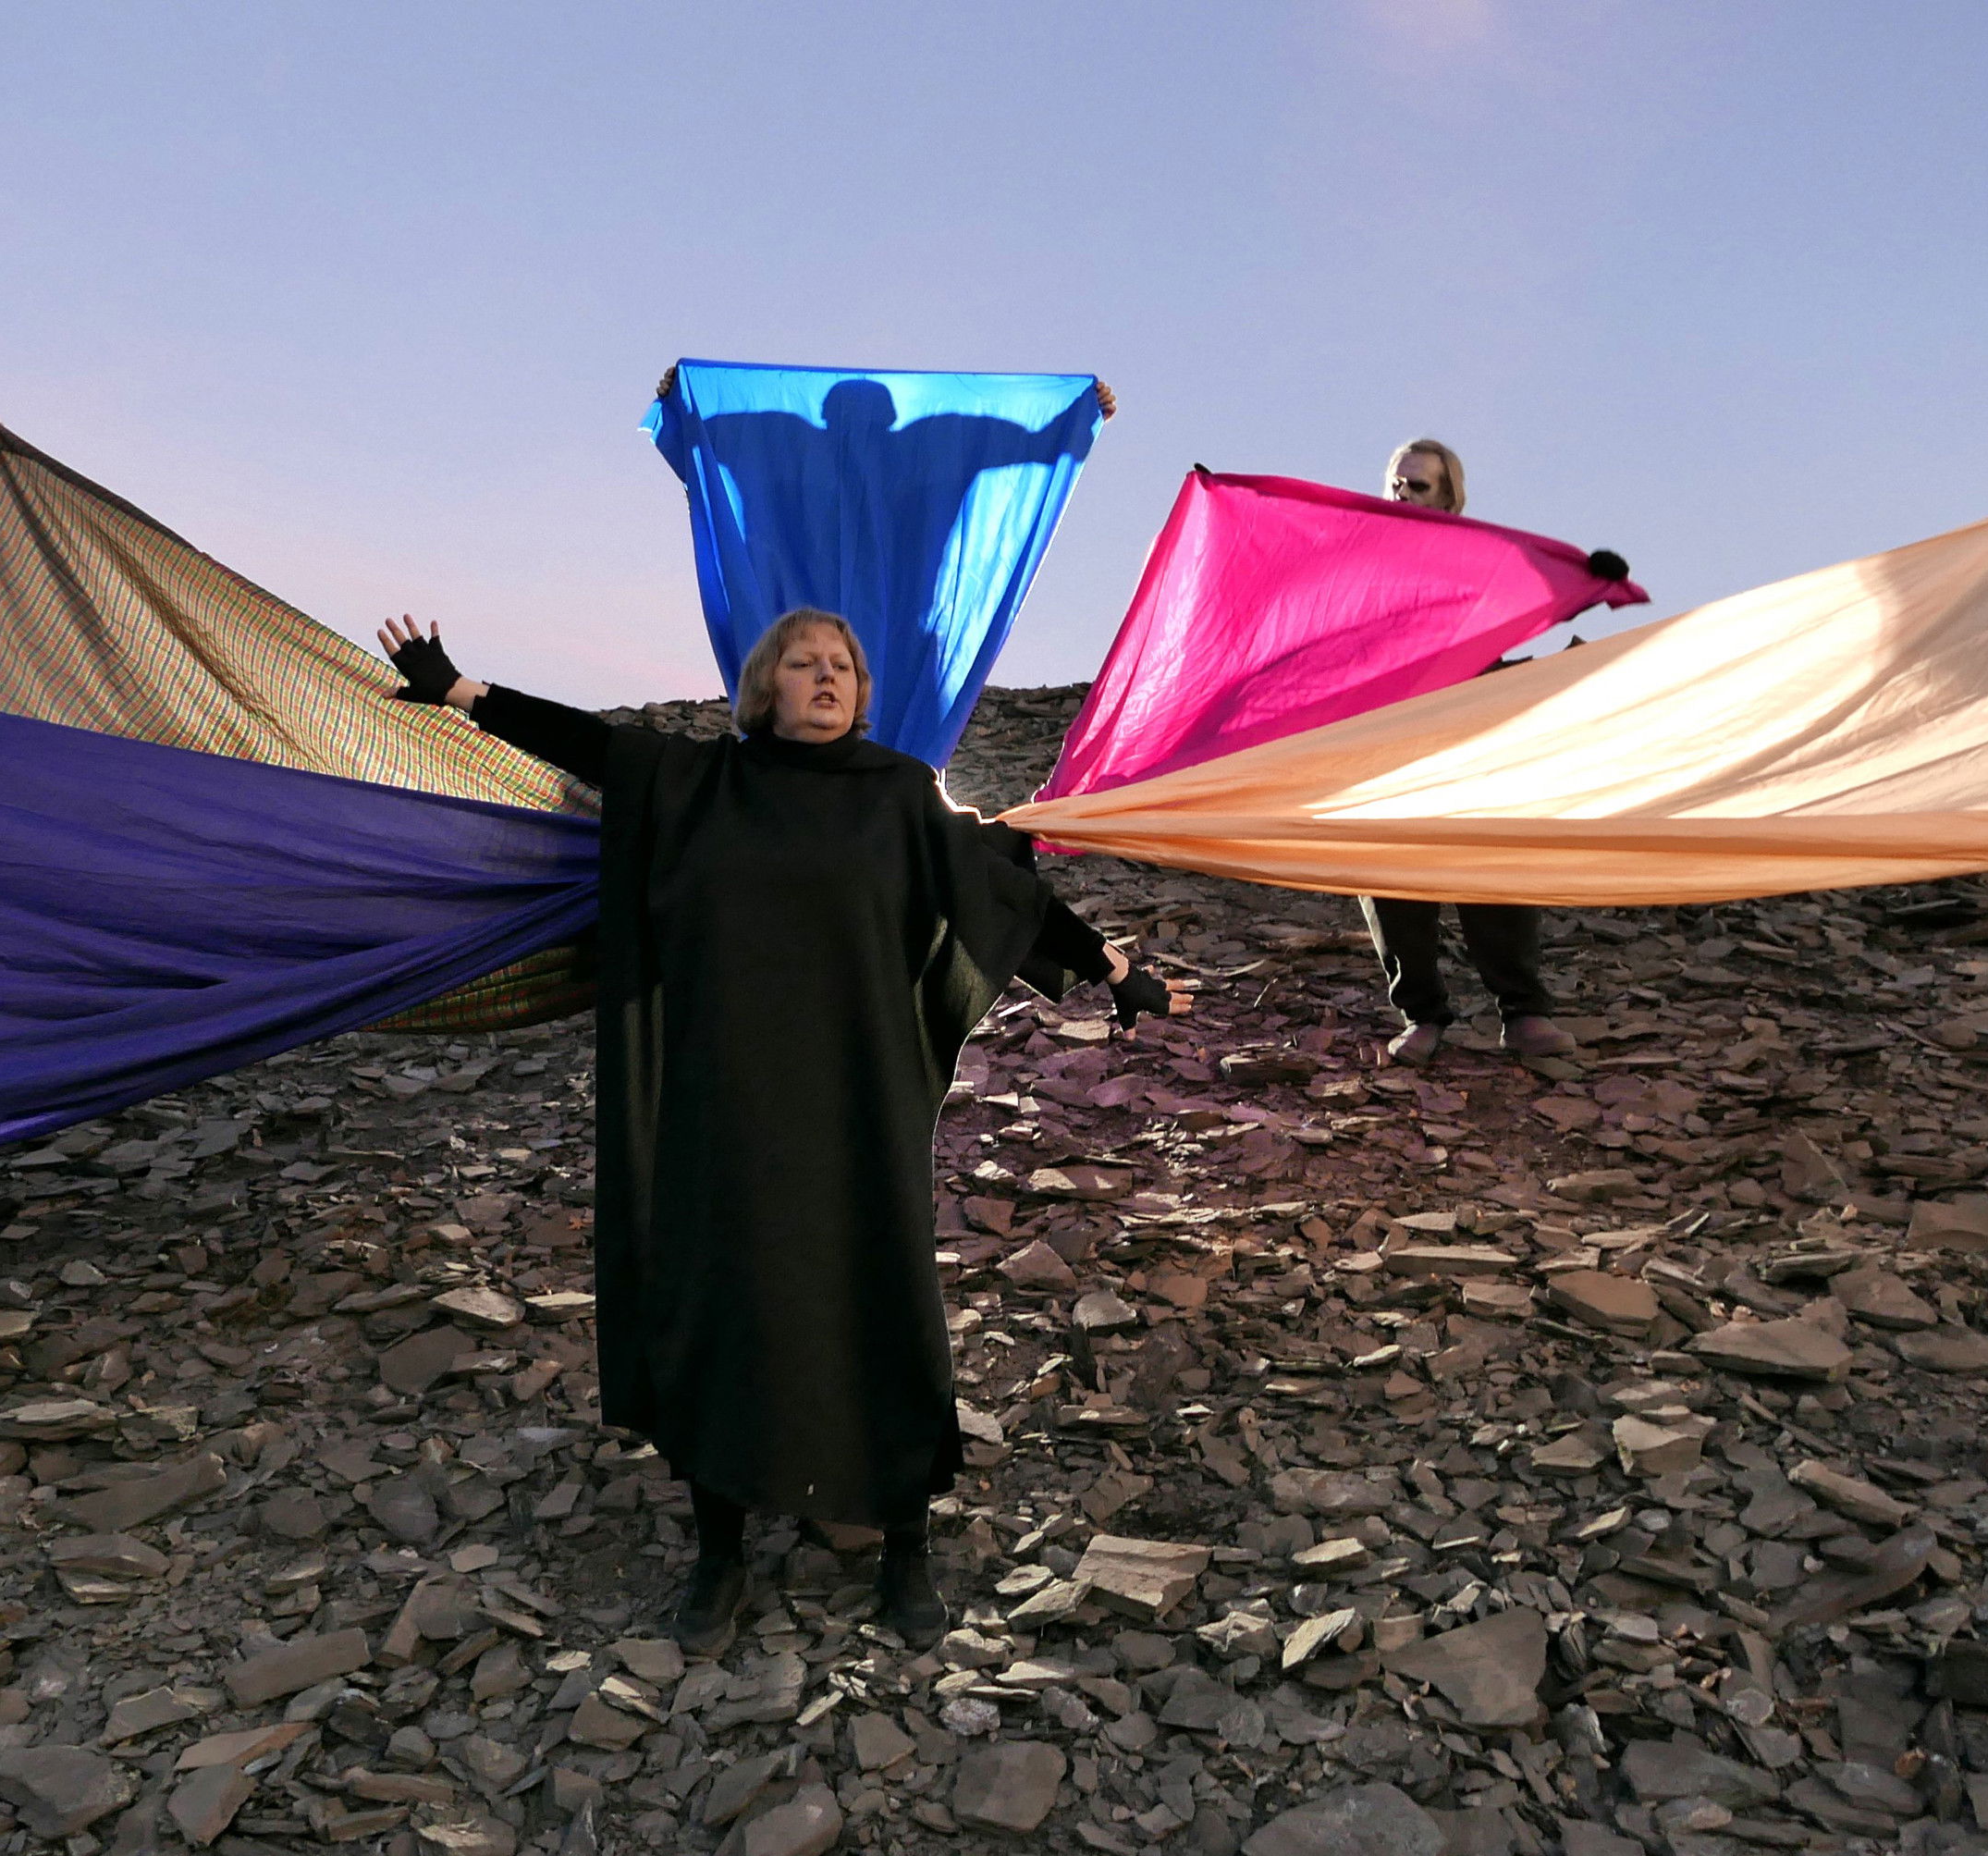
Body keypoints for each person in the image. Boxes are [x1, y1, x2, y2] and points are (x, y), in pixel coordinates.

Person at [373, 607, 1181, 1656]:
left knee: (879, 1301)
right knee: (728, 1301)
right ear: (766, 686)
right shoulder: (702, 783)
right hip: (727, 1099)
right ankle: (721, 1548)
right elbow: (593, 746)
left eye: (843, 664)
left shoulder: (900, 795)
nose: (827, 676)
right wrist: (461, 691)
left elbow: (1006, 892)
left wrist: (1116, 969)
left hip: (860, 1098)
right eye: (804, 663)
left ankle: (904, 1542)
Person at [1361, 437, 1631, 1066]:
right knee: (1387, 872)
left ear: (1448, 498)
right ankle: (1422, 1016)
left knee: (1490, 860)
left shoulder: (1474, 561)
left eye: (1418, 485)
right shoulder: (1364, 561)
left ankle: (1524, 1013)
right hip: (1386, 735)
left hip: (1468, 726)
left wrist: (1589, 579)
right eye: (1396, 482)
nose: (1403, 493)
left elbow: (1533, 592)